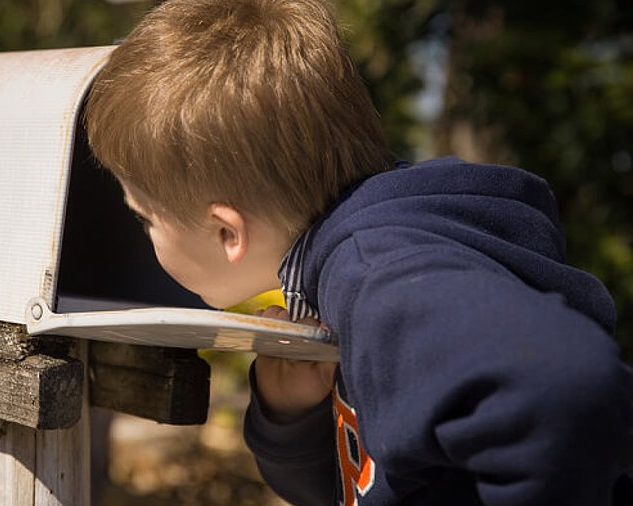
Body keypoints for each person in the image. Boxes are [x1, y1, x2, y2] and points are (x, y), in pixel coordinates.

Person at [84, 0, 633, 503]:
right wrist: (293, 419)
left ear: (228, 233)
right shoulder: (353, 269)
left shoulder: (379, 276)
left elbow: (565, 389)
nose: (144, 234)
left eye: (144, 217)